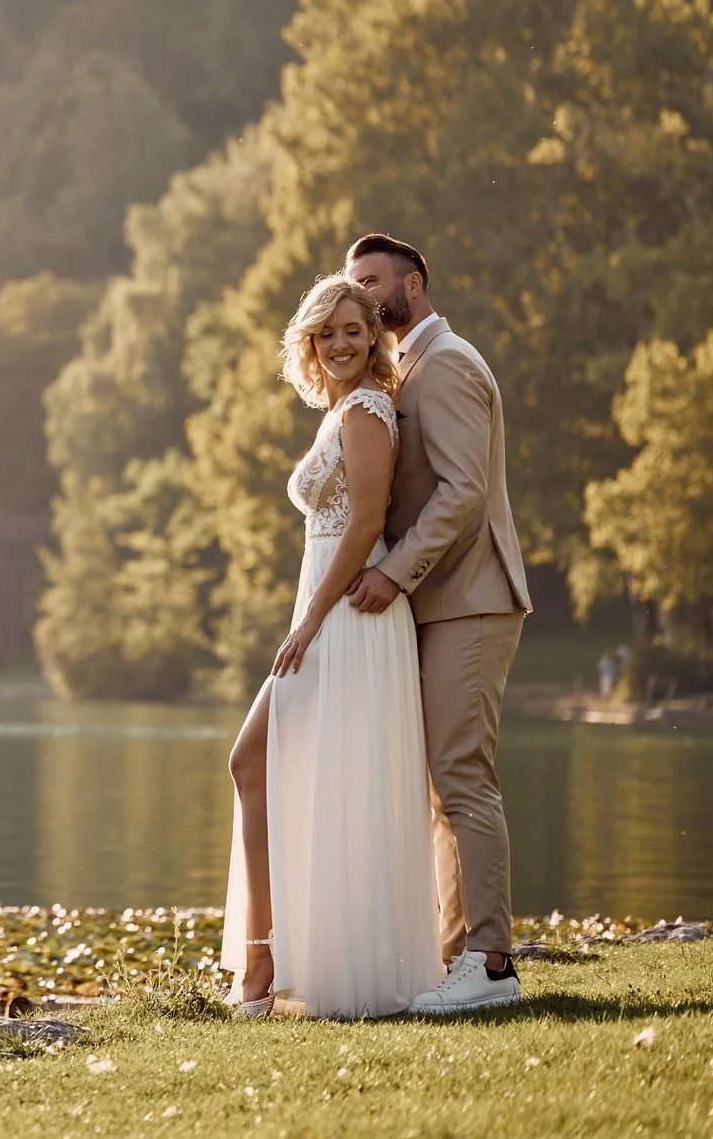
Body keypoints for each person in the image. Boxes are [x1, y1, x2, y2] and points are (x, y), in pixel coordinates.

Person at [220, 273, 441, 1018]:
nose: (340, 343)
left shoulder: (369, 409)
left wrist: (312, 619)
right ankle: (272, 960)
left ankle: (268, 963)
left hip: (345, 616)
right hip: (325, 608)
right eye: (326, 333)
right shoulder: (344, 410)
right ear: (309, 342)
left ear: (373, 335)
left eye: (353, 329)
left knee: (254, 760)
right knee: (286, 771)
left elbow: (368, 522)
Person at [346, 233, 533, 1015]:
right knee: (441, 788)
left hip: (472, 599)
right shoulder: (408, 368)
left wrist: (392, 570)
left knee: (462, 778)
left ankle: (491, 964)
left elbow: (461, 493)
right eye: (352, 281)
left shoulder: (447, 363)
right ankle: (457, 958)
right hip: (442, 603)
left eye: (372, 280)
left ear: (413, 284)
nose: (360, 293)